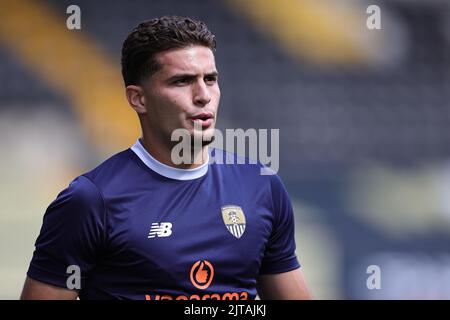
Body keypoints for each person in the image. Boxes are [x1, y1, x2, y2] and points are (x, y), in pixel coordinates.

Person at [20, 15, 311, 300]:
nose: (203, 95)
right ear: (138, 99)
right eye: (182, 81)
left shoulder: (260, 185)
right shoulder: (91, 200)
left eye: (210, 79)